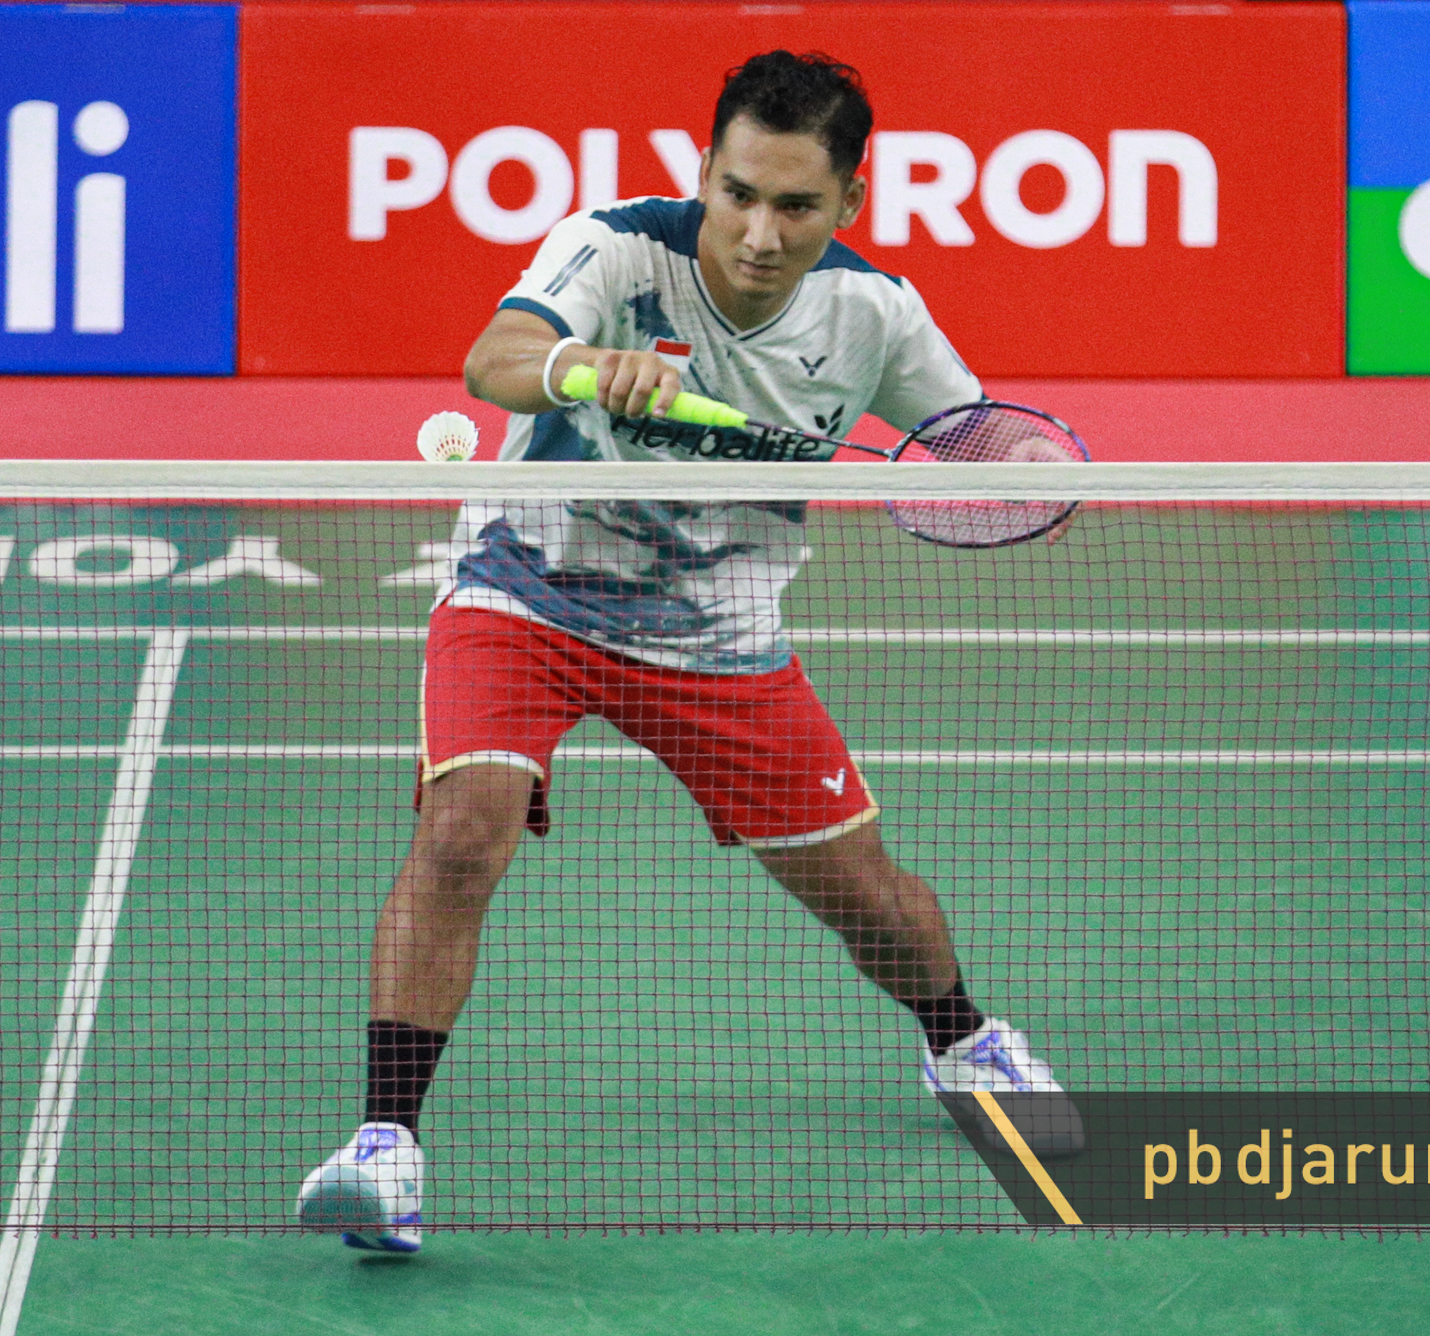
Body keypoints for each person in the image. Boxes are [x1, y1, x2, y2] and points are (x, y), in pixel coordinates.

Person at [296, 50, 1067, 1253]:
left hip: (718, 637)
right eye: (737, 194)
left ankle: (962, 1039)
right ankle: (383, 1148)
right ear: (703, 173)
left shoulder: (872, 313)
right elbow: (493, 357)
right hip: (528, 590)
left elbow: (968, 438)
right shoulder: (614, 249)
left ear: (848, 201)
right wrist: (579, 365)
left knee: (865, 897)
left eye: (795, 205)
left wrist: (1028, 471)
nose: (759, 233)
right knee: (459, 832)